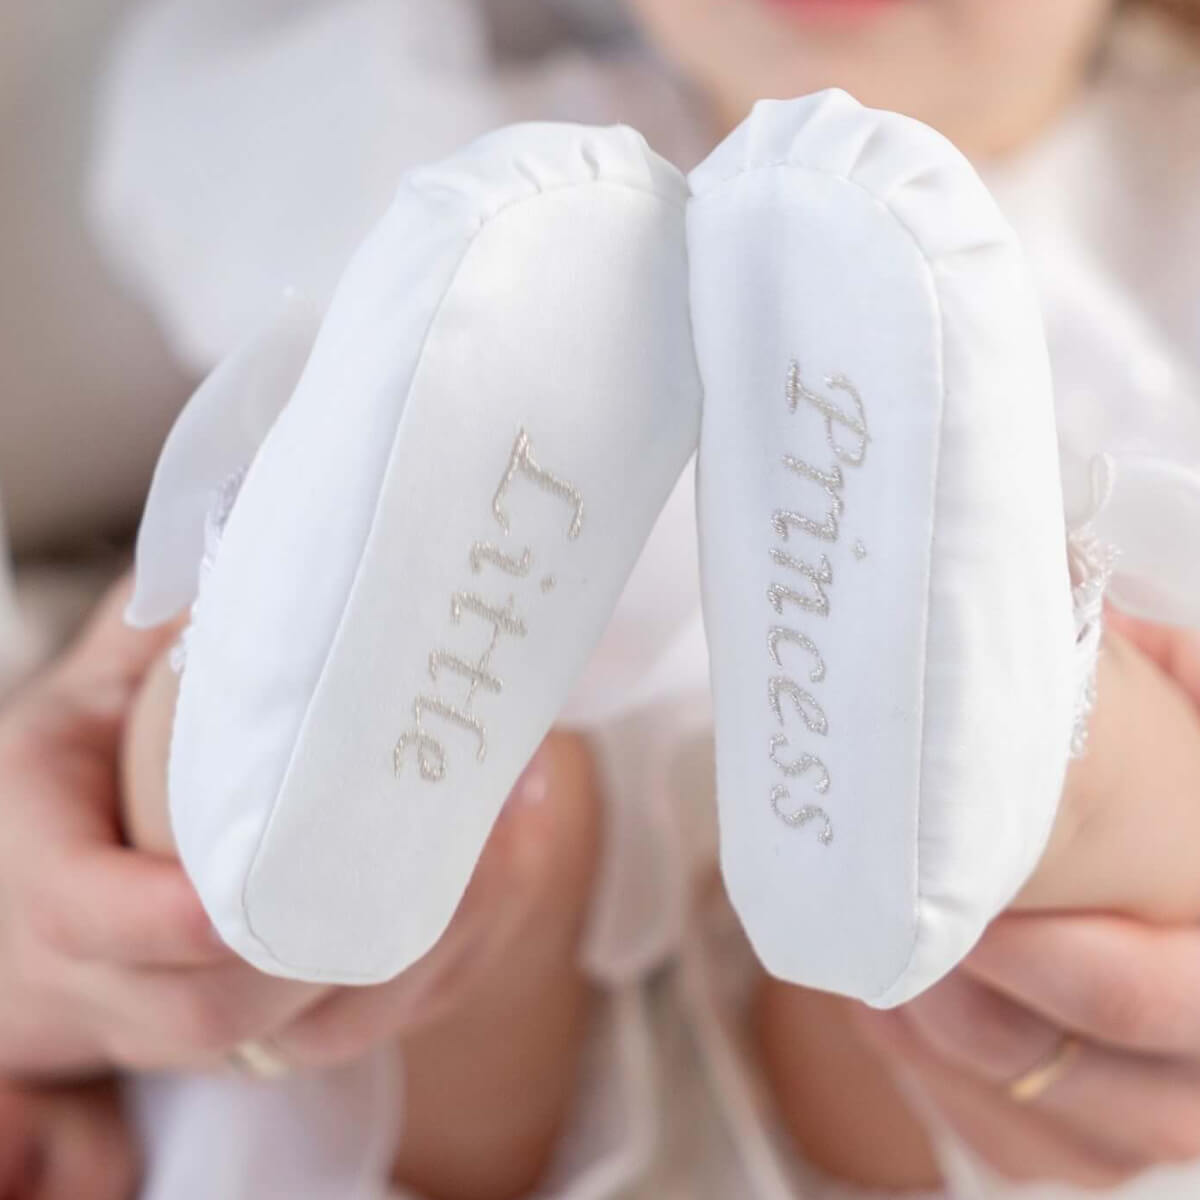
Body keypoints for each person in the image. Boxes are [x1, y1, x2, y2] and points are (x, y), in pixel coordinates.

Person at [1, 0, 1199, 1196]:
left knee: (1113, 782)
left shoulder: (1171, 202)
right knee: (274, 725)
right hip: (484, 825)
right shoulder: (410, 124)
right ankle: (281, 730)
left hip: (964, 1038)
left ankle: (1019, 740)